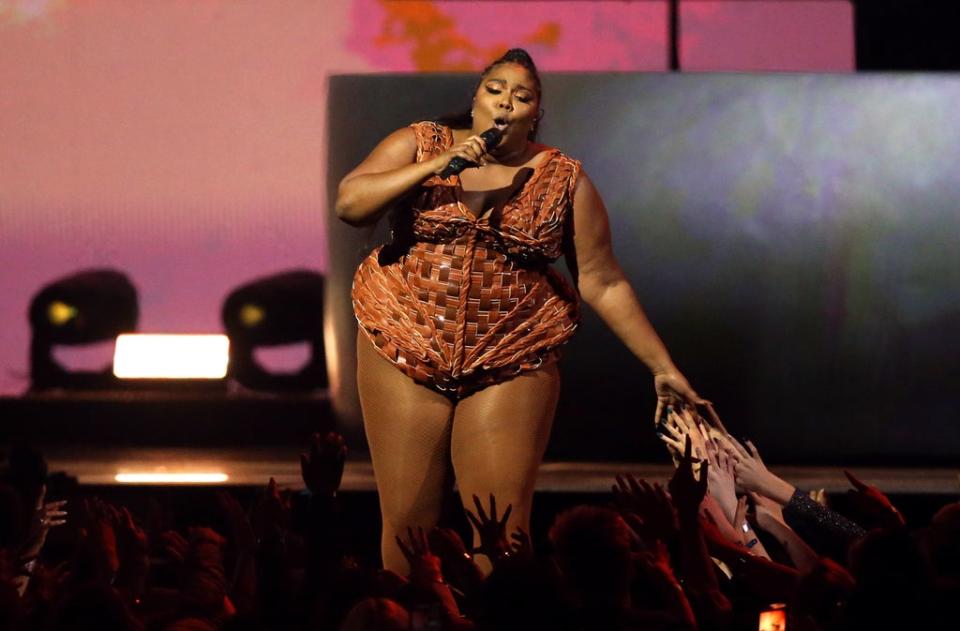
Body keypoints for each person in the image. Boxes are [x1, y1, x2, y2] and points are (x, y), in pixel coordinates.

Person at [335, 48, 702, 573]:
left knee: (499, 526)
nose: (506, 101)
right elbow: (351, 204)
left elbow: (602, 279)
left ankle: (502, 613)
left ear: (535, 114)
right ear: (477, 99)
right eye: (495, 89)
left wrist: (662, 367)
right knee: (410, 523)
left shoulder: (562, 178)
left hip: (511, 351)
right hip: (405, 333)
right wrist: (442, 165)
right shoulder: (420, 144)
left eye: (522, 96)